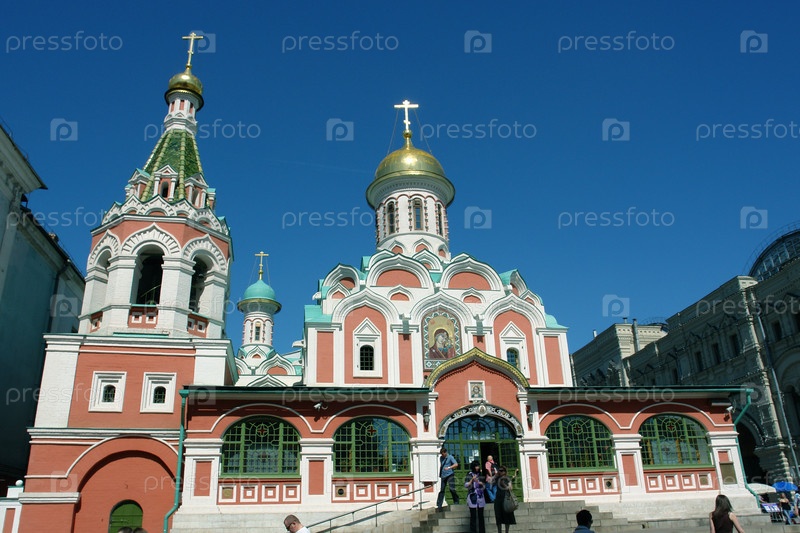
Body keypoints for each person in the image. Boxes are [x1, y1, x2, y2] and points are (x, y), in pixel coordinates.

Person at [493, 466, 517, 533]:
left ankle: (507, 531)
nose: (500, 472)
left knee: (507, 516)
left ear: (505, 471)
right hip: (498, 499)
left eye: (502, 471)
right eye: (499, 470)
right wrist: (495, 476)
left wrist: (504, 485)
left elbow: (510, 488)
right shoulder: (497, 478)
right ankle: (499, 531)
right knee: (498, 516)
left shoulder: (507, 478)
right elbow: (489, 482)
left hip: (506, 499)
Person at [465, 460, 487, 533]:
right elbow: (466, 485)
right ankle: (473, 531)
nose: (477, 467)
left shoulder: (480, 474)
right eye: (476, 466)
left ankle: (482, 531)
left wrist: (480, 483)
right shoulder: (469, 474)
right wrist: (472, 480)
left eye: (478, 466)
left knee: (481, 516)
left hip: (480, 496)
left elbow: (484, 486)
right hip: (472, 496)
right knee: (473, 515)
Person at [436, 447, 460, 511]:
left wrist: (449, 467)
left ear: (445, 452)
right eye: (441, 454)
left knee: (452, 489)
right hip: (443, 476)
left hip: (450, 475)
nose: (442, 455)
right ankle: (439, 504)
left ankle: (456, 501)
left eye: (443, 454)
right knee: (442, 490)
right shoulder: (441, 458)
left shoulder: (450, 457)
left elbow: (456, 464)